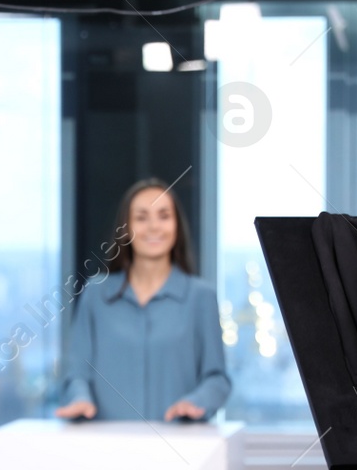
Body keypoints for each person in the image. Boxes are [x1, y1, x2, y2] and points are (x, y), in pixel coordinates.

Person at [56, 178, 229, 422]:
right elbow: (76, 372)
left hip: (181, 448)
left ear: (177, 225)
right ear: (126, 227)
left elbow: (217, 379)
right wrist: (79, 399)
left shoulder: (201, 297)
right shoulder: (96, 294)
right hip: (105, 448)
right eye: (141, 217)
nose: (153, 227)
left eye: (163, 215)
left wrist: (196, 402)